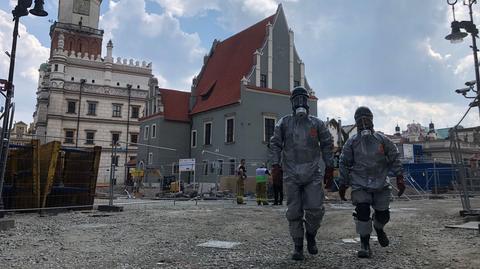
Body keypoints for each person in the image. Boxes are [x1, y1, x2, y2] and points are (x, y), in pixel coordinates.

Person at [269, 86, 334, 261]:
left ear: (308, 102)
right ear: (292, 103)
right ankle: (298, 246)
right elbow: (275, 144)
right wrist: (275, 166)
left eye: (303, 99)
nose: (300, 103)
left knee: (315, 209)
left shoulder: (317, 124)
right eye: (297, 99)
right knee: (294, 212)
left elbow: (327, 144)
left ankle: (311, 235)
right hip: (291, 174)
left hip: (312, 173)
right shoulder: (284, 123)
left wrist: (330, 166)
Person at [338, 106, 406, 258]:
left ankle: (379, 227)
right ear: (356, 123)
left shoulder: (382, 140)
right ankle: (365, 245)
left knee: (384, 215)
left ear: (372, 120)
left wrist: (400, 177)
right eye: (360, 121)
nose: (363, 123)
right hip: (360, 183)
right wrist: (343, 183)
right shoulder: (351, 143)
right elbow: (344, 162)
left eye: (366, 120)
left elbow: (394, 157)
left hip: (381, 183)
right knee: (362, 212)